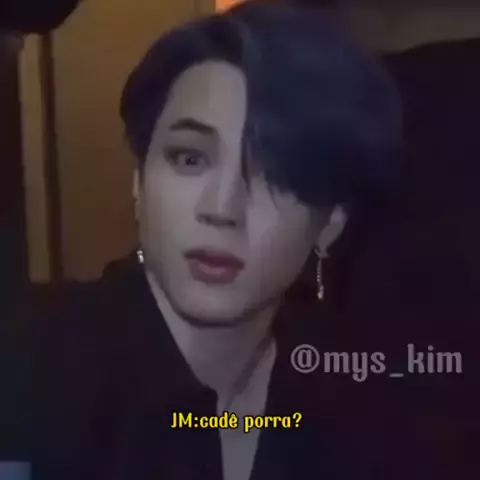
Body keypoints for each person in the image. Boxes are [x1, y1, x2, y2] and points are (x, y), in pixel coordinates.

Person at [32, 2, 403, 479]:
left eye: (274, 175)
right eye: (190, 159)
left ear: (331, 220)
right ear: (139, 179)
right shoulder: (31, 366)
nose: (222, 208)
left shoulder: (365, 410)